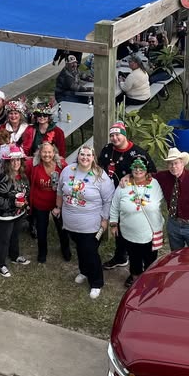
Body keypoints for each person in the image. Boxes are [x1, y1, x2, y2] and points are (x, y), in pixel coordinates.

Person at [55, 145, 115, 300]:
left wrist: (105, 219)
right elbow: (60, 191)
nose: (85, 157)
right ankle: (84, 271)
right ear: (78, 155)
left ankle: (96, 282)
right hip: (70, 222)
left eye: (89, 155)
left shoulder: (100, 175)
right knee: (80, 249)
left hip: (91, 224)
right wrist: (58, 207)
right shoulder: (68, 170)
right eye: (82, 154)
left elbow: (108, 199)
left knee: (90, 252)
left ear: (93, 157)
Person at [98, 121, 156, 271]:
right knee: (117, 227)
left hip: (130, 198)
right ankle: (120, 257)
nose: (115, 138)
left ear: (124, 135)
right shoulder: (107, 149)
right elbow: (99, 166)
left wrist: (131, 175)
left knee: (129, 229)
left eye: (118, 135)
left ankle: (136, 266)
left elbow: (151, 172)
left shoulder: (138, 153)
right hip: (109, 195)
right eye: (112, 135)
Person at [110, 157, 164, 288]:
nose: (138, 170)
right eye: (135, 168)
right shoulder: (124, 185)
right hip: (129, 232)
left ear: (146, 170)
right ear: (131, 170)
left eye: (141, 168)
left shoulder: (156, 184)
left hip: (150, 232)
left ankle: (149, 279)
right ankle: (135, 279)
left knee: (150, 258)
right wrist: (113, 223)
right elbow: (115, 205)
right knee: (134, 257)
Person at [0, 145, 31, 278]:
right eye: (13, 161)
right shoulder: (3, 178)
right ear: (8, 162)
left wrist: (24, 203)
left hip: (18, 214)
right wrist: (12, 203)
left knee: (15, 237)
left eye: (18, 160)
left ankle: (14, 256)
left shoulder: (23, 176)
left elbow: (26, 192)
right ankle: (1, 264)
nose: (16, 163)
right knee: (4, 240)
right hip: (5, 216)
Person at [26, 141, 69, 263]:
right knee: (41, 229)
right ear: (40, 153)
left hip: (58, 203)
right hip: (40, 203)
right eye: (44, 152)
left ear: (54, 152)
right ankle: (42, 252)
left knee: (62, 228)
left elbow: (71, 175)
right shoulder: (33, 164)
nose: (47, 155)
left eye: (49, 152)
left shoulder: (62, 165)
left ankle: (65, 250)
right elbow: (21, 168)